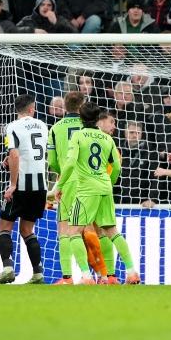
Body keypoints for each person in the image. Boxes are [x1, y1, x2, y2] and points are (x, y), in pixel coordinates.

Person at [55, 101, 139, 284]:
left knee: (74, 232)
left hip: (86, 189)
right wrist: (110, 182)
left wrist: (59, 186)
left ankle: (86, 276)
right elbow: (116, 166)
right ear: (97, 118)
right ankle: (131, 272)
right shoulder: (107, 139)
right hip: (105, 188)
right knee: (112, 231)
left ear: (81, 118)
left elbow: (69, 164)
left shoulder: (78, 136)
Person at [0, 94, 48, 284]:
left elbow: (15, 154)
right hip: (40, 186)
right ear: (32, 108)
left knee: (5, 227)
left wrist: (13, 184)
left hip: (22, 186)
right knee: (27, 229)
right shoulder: (42, 125)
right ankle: (38, 272)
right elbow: (33, 153)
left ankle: (8, 268)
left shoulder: (12, 127)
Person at [47, 91, 84, 284]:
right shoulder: (88, 127)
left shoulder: (55, 128)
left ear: (65, 107)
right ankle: (105, 276)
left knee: (64, 229)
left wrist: (61, 172)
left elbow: (52, 161)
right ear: (81, 106)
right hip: (90, 182)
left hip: (67, 182)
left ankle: (68, 277)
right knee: (97, 230)